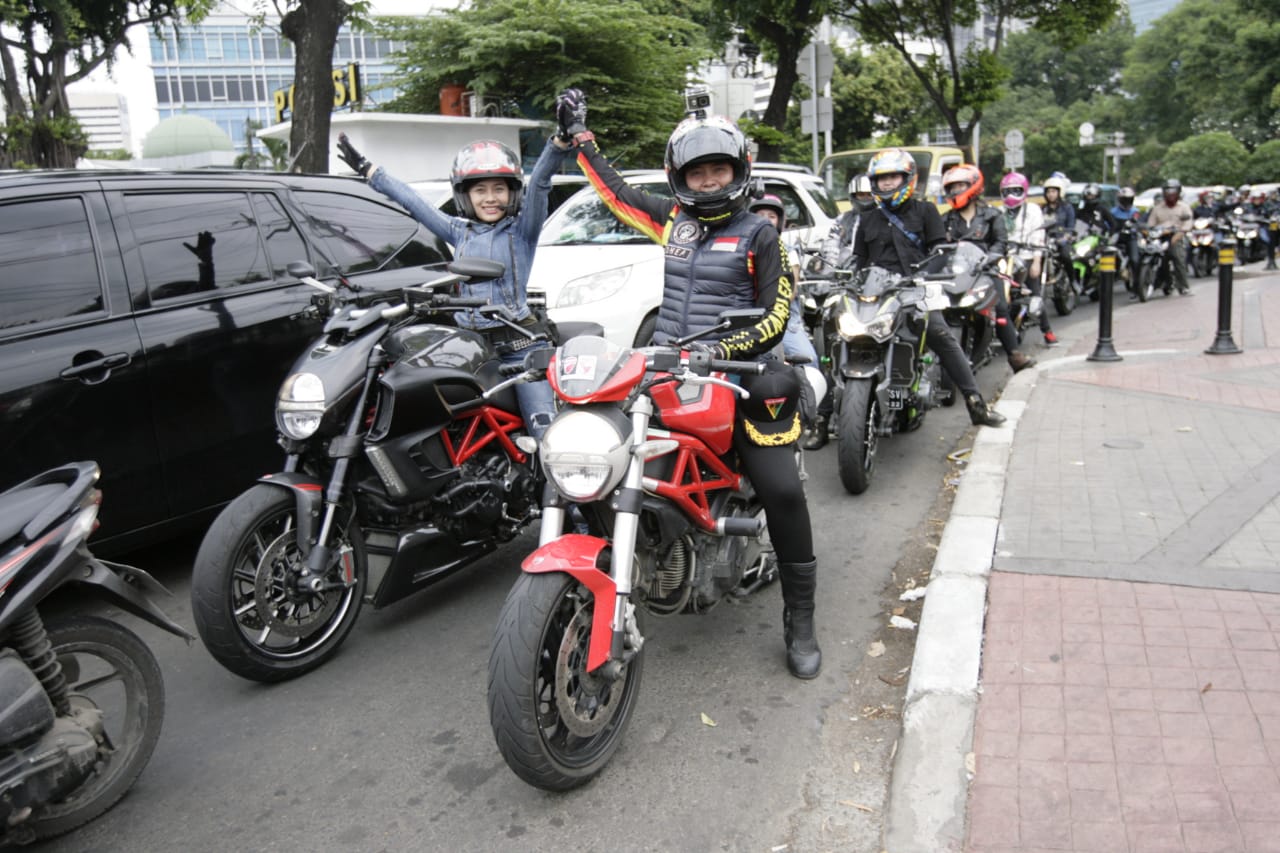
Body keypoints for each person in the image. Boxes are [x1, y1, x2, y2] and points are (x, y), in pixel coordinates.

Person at [555, 87, 821, 678]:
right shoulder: (672, 223)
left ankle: (799, 619)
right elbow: (616, 194)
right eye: (696, 172)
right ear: (681, 176)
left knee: (781, 491)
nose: (707, 181)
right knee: (600, 452)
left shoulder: (759, 235)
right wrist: (582, 141)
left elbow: (776, 315)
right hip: (671, 370)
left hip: (744, 376)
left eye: (717, 169)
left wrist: (719, 349)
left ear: (738, 171)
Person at [335, 132, 574, 440]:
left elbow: (540, 184)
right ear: (465, 195)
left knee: (546, 433)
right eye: (480, 190)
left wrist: (557, 146)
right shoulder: (459, 232)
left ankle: (557, 486)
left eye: (499, 189)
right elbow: (413, 202)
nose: (490, 197)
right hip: (468, 348)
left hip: (520, 349)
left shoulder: (522, 232)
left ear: (512, 192)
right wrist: (370, 172)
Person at [850, 148, 1007, 428]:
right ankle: (823, 417)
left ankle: (975, 404)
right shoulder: (868, 217)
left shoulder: (926, 211)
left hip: (915, 291)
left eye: (893, 177)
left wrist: (923, 275)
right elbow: (858, 260)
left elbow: (940, 251)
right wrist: (846, 278)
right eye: (881, 178)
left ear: (907, 179)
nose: (886, 184)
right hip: (876, 294)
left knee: (940, 334)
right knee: (838, 332)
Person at [748, 193, 829, 443]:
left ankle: (815, 419)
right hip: (747, 316)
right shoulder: (744, 248)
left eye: (771, 216)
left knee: (810, 361)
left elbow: (791, 288)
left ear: (780, 222)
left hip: (784, 315)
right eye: (760, 216)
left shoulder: (788, 249)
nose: (766, 220)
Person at [939, 163, 1036, 371]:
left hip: (985, 270)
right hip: (954, 273)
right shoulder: (946, 219)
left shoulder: (992, 215)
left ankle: (1014, 355)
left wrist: (991, 257)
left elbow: (1001, 242)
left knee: (1000, 307)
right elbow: (937, 246)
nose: (955, 191)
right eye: (952, 187)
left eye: (960, 186)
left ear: (974, 186)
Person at [805, 173, 876, 450]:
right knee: (826, 352)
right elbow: (830, 252)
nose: (866, 201)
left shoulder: (886, 222)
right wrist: (823, 273)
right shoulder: (842, 222)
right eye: (861, 196)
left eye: (870, 195)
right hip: (845, 291)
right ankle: (821, 422)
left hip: (878, 291)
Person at [1000, 171, 1056, 346]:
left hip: (1027, 256)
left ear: (1024, 191)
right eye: (1007, 191)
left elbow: (1038, 235)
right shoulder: (998, 211)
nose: (1011, 195)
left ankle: (1047, 332)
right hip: (1004, 258)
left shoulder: (1032, 210)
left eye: (1016, 191)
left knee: (1035, 292)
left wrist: (1037, 261)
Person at [1145, 178, 1193, 294]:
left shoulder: (1184, 207)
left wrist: (1177, 235)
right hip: (1160, 237)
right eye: (1168, 191)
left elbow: (1187, 225)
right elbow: (1150, 225)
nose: (1170, 194)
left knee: (1178, 257)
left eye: (1173, 192)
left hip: (1177, 236)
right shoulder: (1157, 208)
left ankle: (1184, 286)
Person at [1041, 174, 1076, 283]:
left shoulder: (1067, 207)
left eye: (1053, 192)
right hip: (1047, 241)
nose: (1050, 194)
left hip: (1062, 240)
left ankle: (1073, 281)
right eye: (1048, 192)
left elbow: (1071, 226)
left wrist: (1066, 237)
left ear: (1059, 192)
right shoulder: (1044, 209)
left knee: (1066, 256)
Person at [1110, 186, 1144, 291]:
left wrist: (1134, 227)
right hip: (1116, 238)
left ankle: (1137, 286)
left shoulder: (1135, 211)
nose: (1126, 202)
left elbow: (1138, 224)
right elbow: (1107, 224)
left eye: (1128, 199)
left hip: (1130, 238)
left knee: (1135, 260)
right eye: (1124, 199)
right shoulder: (1113, 211)